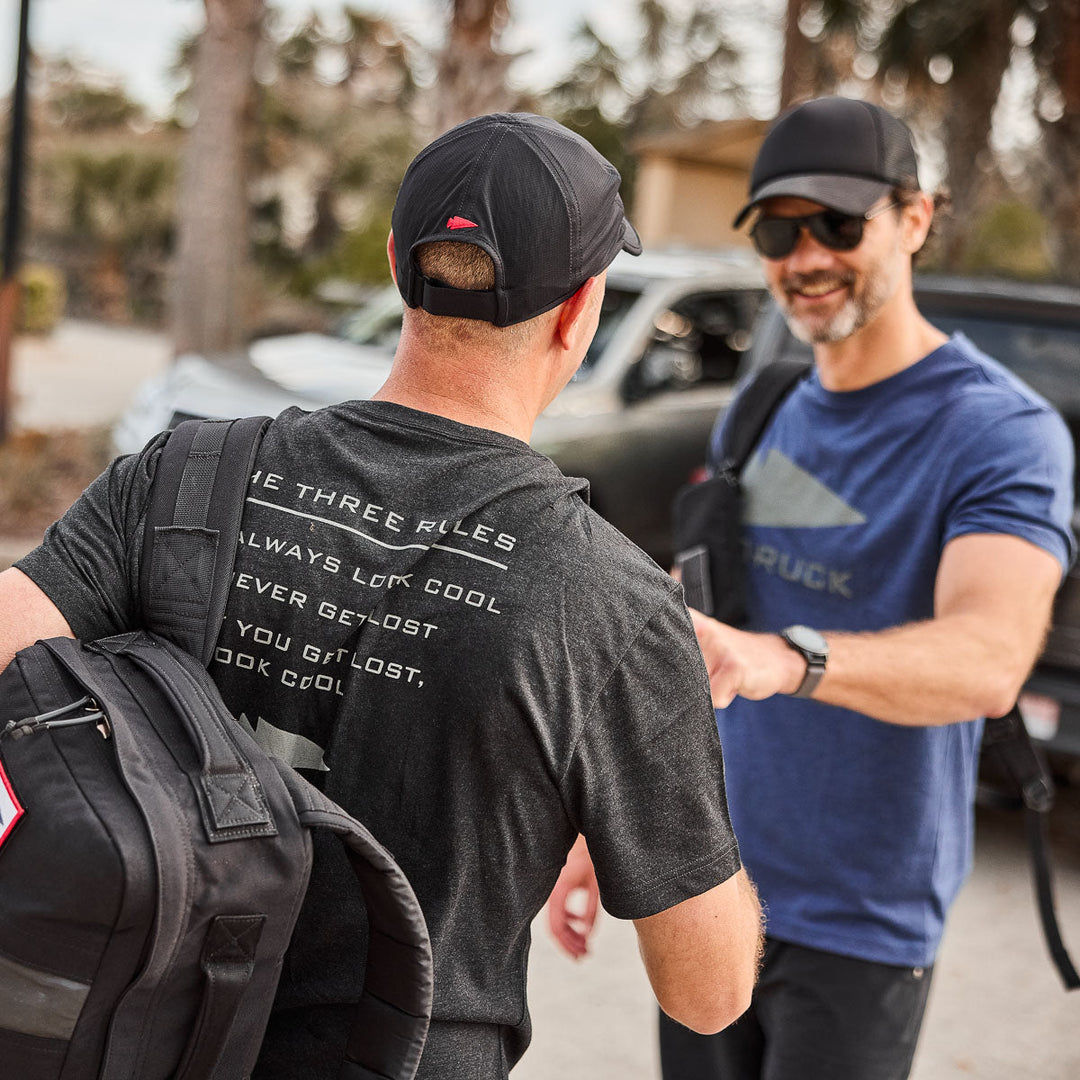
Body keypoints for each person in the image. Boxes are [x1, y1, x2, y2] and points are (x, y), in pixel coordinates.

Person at [0, 113, 763, 1079]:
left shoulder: (180, 477)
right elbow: (710, 992)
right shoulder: (613, 602)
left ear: (400, 266)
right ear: (580, 313)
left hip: (140, 1046)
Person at [546, 96, 1075, 1080]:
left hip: (861, 920)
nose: (806, 256)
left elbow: (992, 658)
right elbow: (701, 630)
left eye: (837, 222)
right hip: (708, 884)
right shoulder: (764, 402)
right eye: (778, 231)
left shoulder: (1001, 434)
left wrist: (787, 658)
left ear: (916, 218)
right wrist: (601, 819)